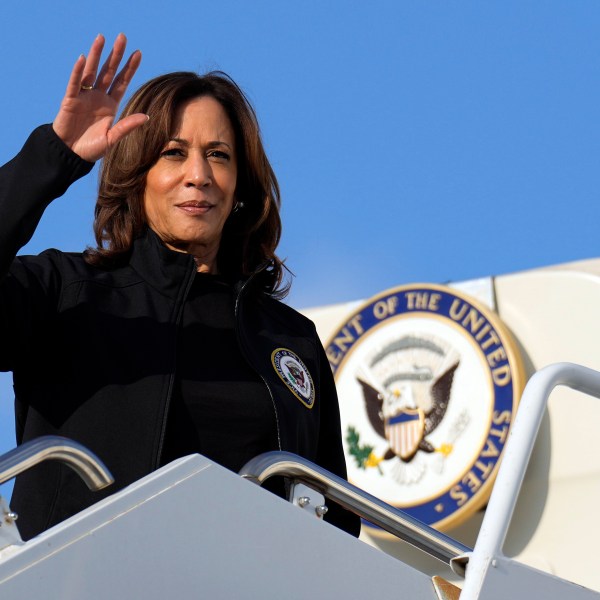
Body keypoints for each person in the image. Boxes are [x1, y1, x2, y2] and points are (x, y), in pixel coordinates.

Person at [0, 34, 360, 540]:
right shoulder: (66, 291)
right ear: (137, 172)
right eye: (173, 153)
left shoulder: (289, 338)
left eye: (218, 155)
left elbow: (336, 523)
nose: (198, 175)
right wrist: (52, 160)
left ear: (240, 184)